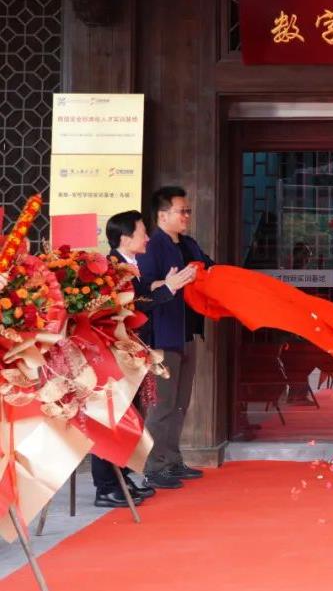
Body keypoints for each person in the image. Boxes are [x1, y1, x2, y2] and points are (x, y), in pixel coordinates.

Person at [91, 210, 195, 507]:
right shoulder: (110, 268)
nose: (147, 238)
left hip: (132, 354)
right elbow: (136, 305)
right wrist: (170, 288)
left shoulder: (130, 265)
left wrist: (165, 285)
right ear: (126, 238)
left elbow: (139, 297)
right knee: (112, 419)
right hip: (115, 356)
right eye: (142, 233)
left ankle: (122, 477)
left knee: (129, 417)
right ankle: (105, 486)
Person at [138, 187, 213, 490]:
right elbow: (143, 290)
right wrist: (167, 284)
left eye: (188, 211)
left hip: (187, 333)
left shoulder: (189, 244)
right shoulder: (152, 246)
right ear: (162, 215)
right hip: (163, 336)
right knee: (162, 405)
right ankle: (153, 466)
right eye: (182, 211)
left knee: (181, 403)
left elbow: (210, 268)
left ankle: (172, 459)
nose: (186, 216)